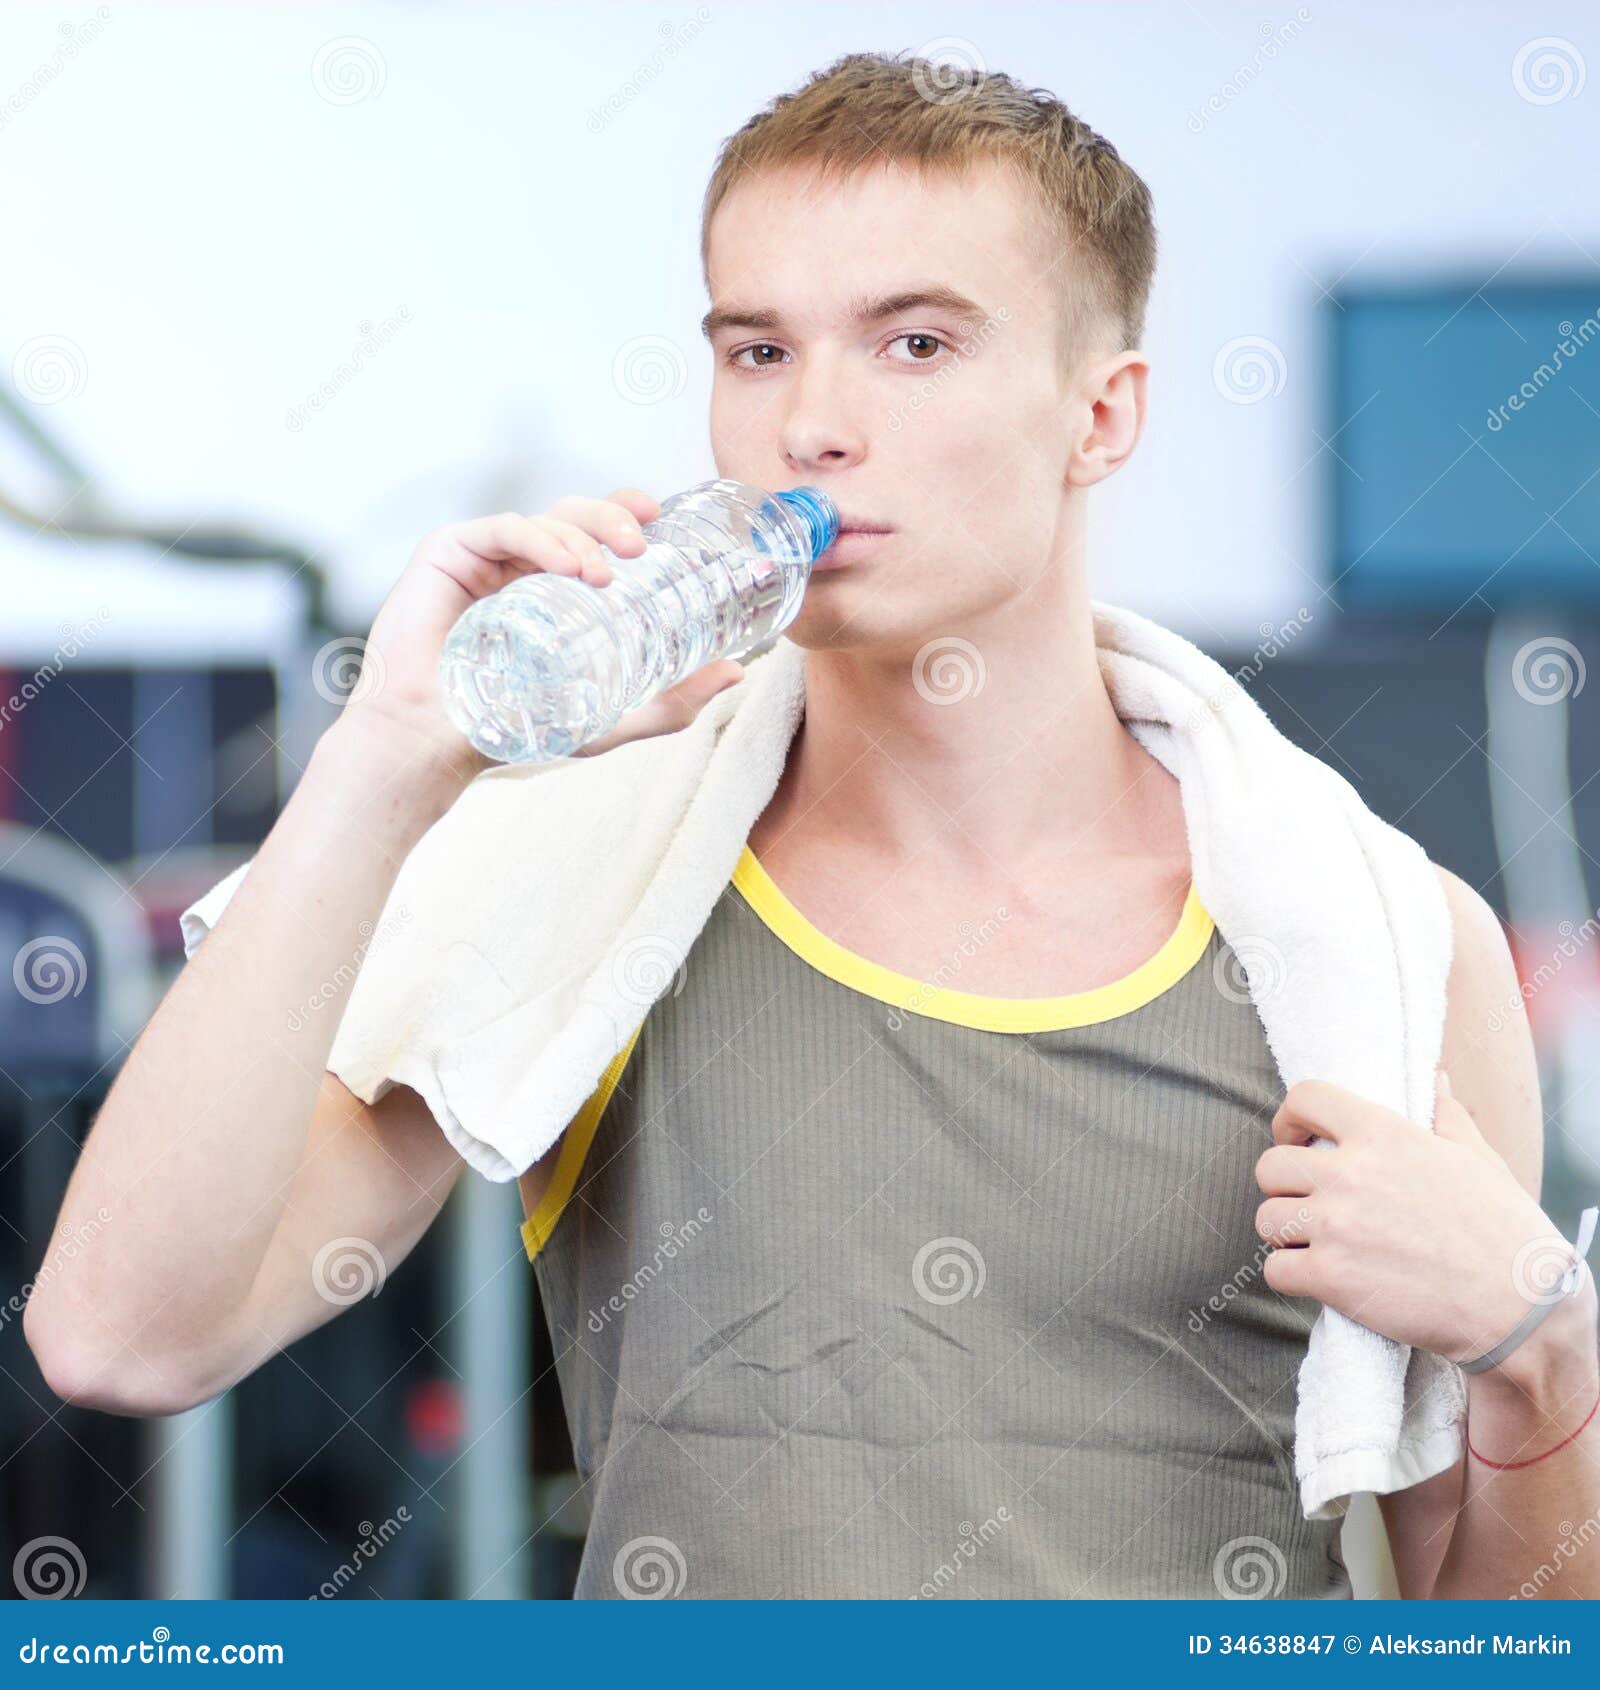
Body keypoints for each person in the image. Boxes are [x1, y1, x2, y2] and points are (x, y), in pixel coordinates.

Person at [25, 51, 1600, 1600]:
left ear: (1100, 417)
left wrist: (1545, 1351)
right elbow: (120, 1335)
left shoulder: (1383, 948)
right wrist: (383, 764)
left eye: (916, 343)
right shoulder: (587, 878)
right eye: (759, 352)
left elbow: (1495, 1637)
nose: (815, 425)